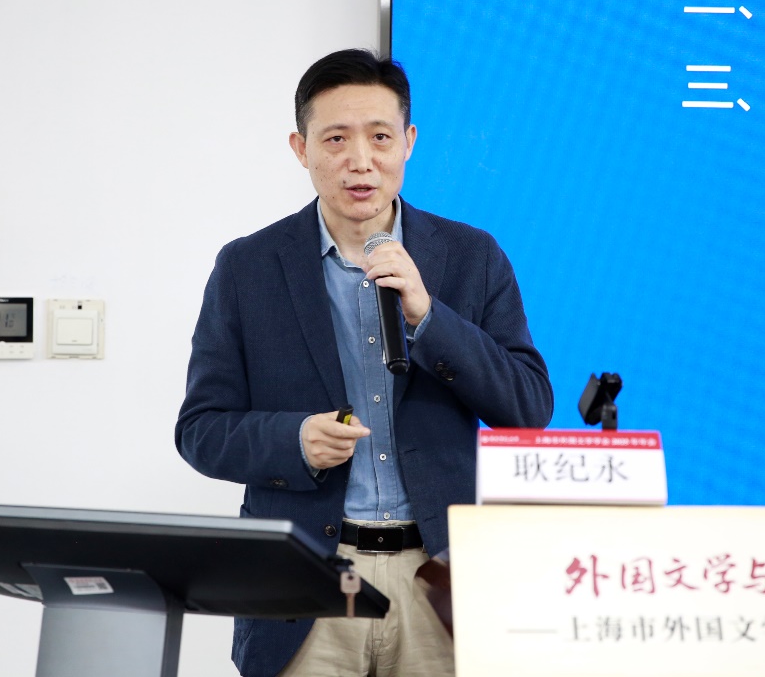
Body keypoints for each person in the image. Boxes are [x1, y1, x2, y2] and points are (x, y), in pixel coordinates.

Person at [175, 49, 553, 677]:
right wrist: (293, 440)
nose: (360, 160)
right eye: (336, 138)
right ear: (301, 149)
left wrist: (428, 316)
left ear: (408, 142)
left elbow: (528, 406)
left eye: (380, 137)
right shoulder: (247, 267)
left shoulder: (471, 255)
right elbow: (200, 431)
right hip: (305, 583)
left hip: (440, 579)